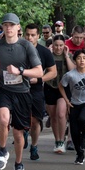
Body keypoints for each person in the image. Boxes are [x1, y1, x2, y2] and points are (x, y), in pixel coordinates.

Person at [0, 13, 43, 170]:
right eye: (6, 25)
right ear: (2, 27)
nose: (9, 28)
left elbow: (39, 72)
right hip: (4, 90)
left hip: (23, 92)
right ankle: (2, 150)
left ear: (18, 27)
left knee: (18, 134)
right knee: (3, 120)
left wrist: (20, 72)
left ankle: (19, 164)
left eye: (12, 25)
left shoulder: (26, 46)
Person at [23, 23, 57, 162]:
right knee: (21, 118)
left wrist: (39, 79)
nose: (30, 38)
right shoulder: (19, 49)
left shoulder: (44, 52)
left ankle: (34, 145)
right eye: (28, 35)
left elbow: (53, 72)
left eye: (33, 35)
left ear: (38, 36)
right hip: (19, 89)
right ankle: (23, 132)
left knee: (35, 121)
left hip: (36, 90)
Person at [59, 49, 85, 165]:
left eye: (84, 58)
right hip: (74, 103)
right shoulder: (70, 75)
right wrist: (66, 100)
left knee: (83, 118)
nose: (81, 60)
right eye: (79, 58)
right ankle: (80, 154)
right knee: (74, 131)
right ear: (75, 61)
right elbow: (61, 86)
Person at [45, 34, 71, 153]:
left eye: (61, 45)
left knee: (61, 114)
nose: (58, 48)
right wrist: (49, 54)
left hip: (64, 88)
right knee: (53, 116)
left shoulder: (68, 55)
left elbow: (72, 70)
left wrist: (66, 56)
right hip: (50, 87)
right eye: (56, 45)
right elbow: (42, 69)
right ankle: (58, 140)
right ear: (52, 45)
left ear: (64, 46)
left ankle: (62, 140)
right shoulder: (48, 56)